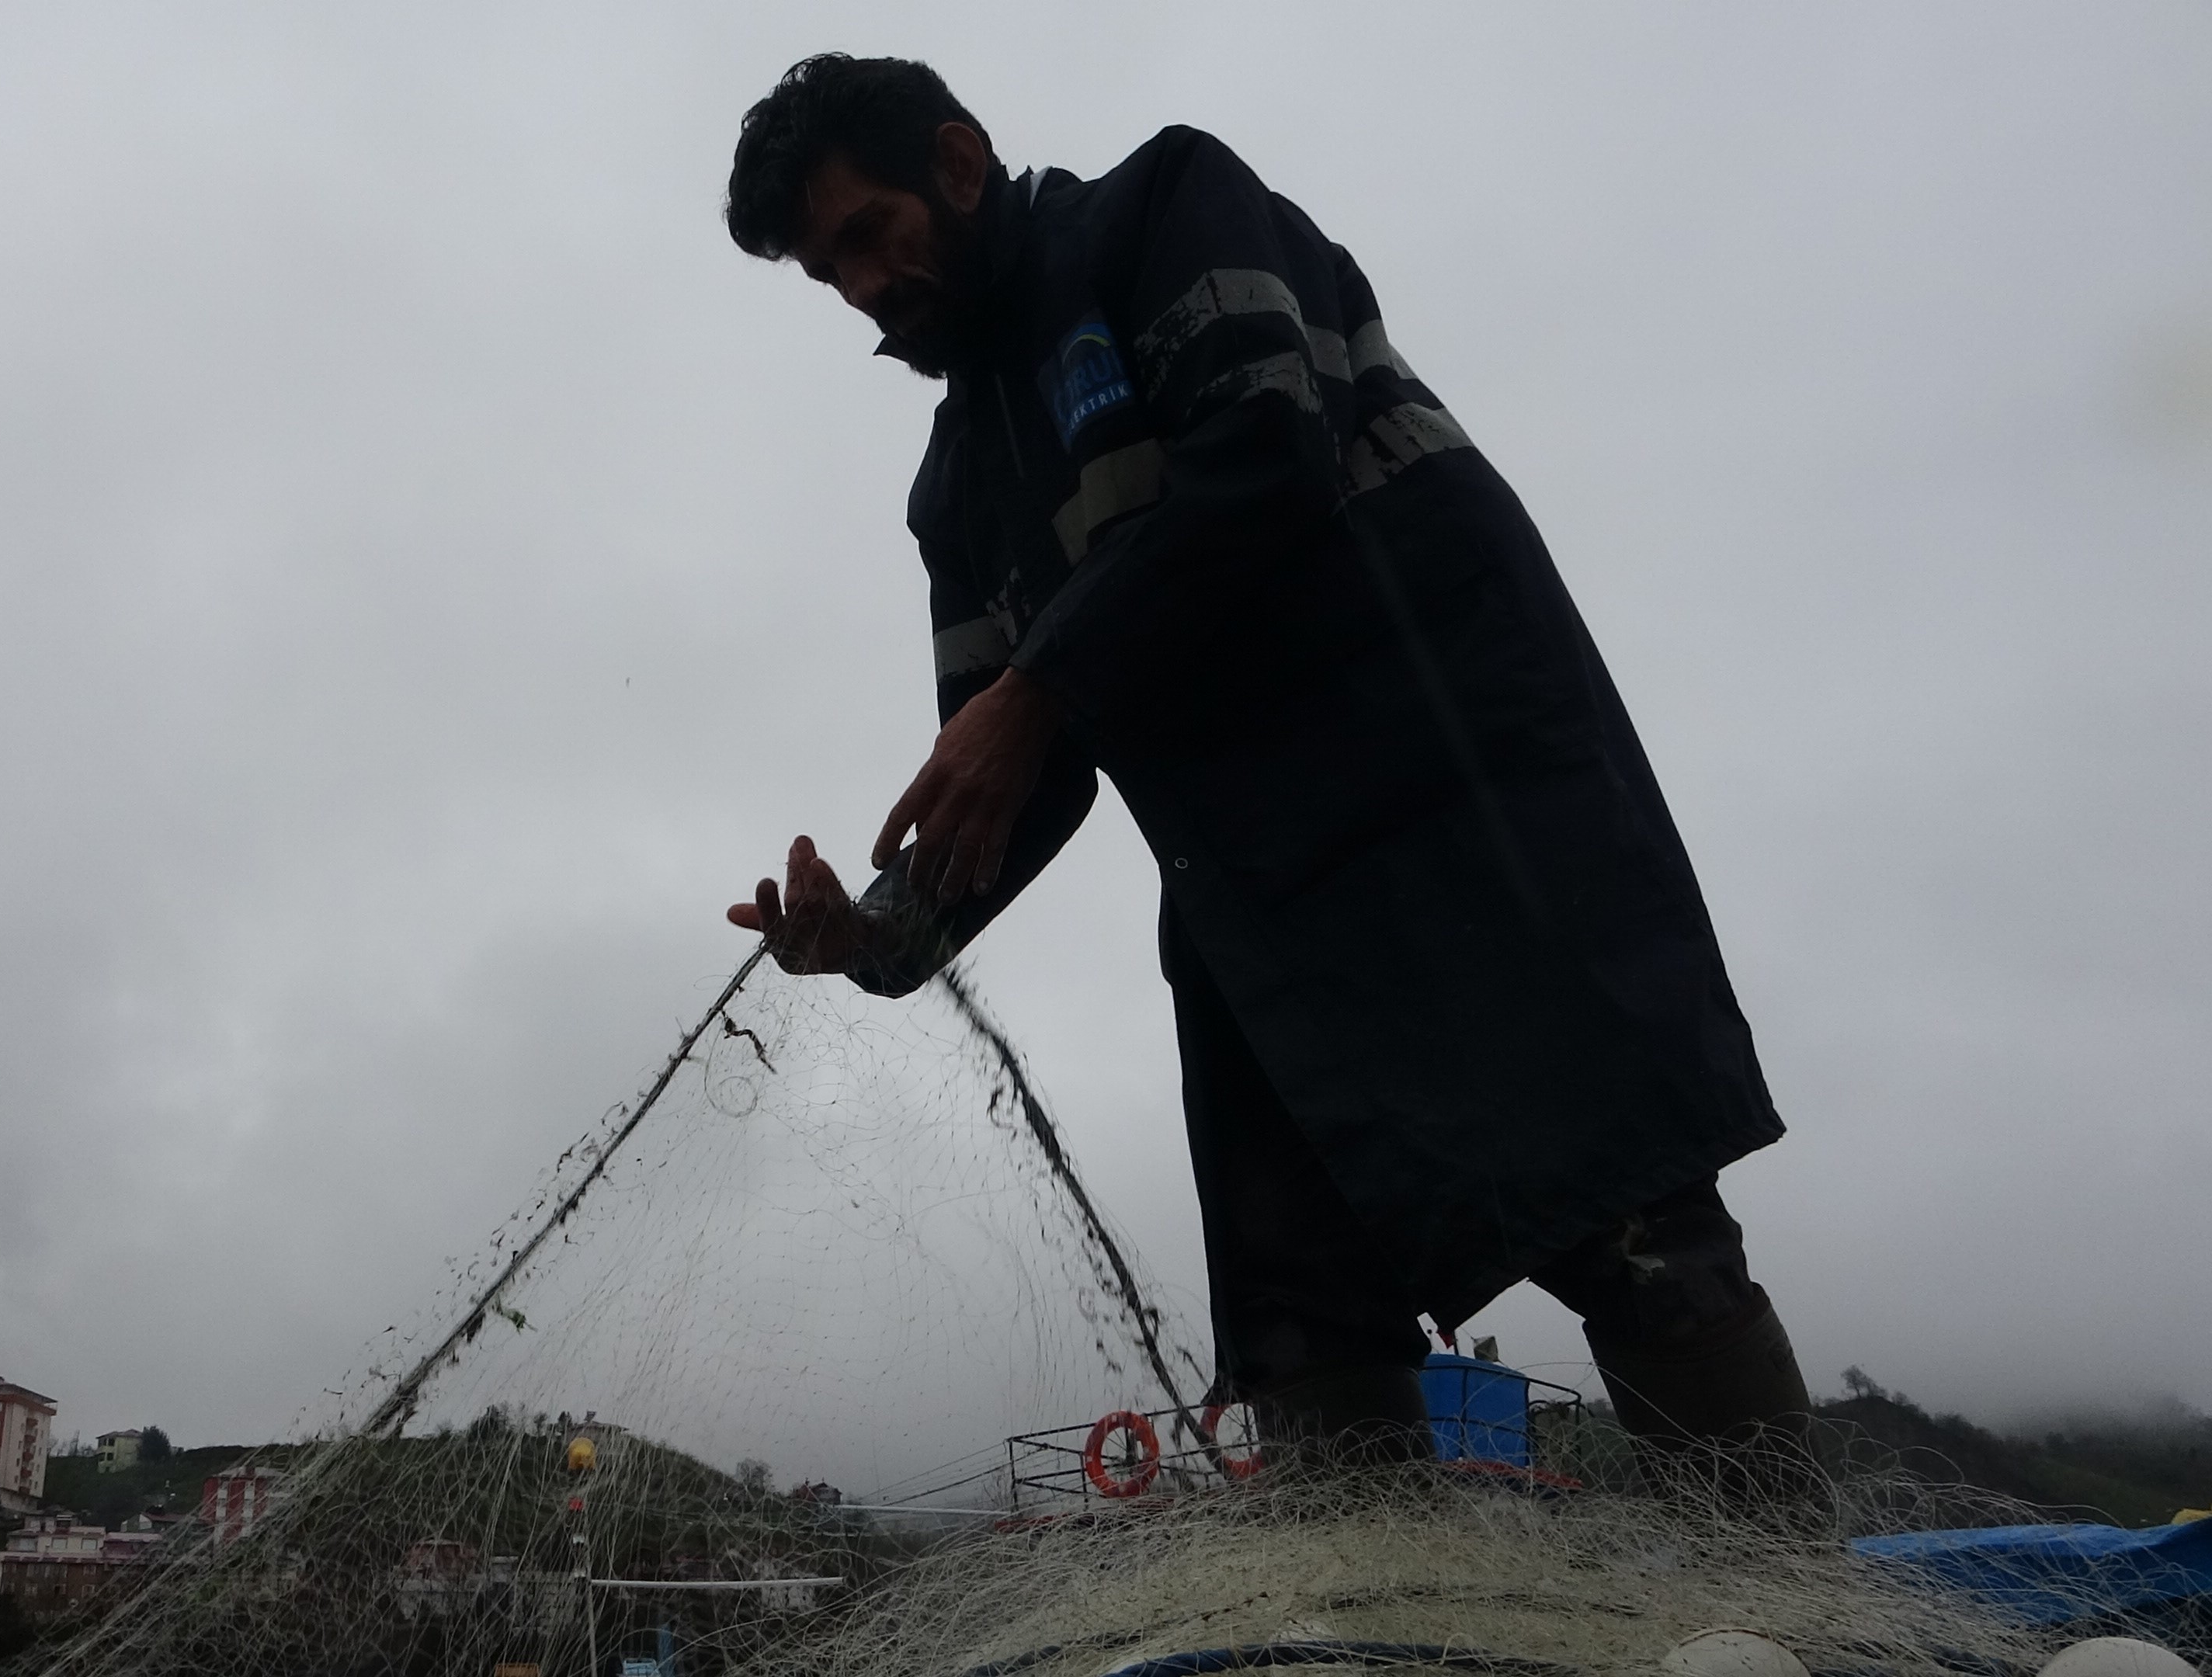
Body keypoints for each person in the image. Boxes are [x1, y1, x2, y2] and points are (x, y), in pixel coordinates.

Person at [718, 54, 1811, 1460]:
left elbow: (1267, 454)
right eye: (827, 273)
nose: (861, 287)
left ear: (961, 160)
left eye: (868, 231)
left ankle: (1781, 1595)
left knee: (1637, 1232)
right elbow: (1011, 775)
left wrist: (1040, 686)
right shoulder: (955, 490)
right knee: (1299, 1334)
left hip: (1470, 825)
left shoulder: (1165, 205)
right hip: (1257, 917)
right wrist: (872, 936)